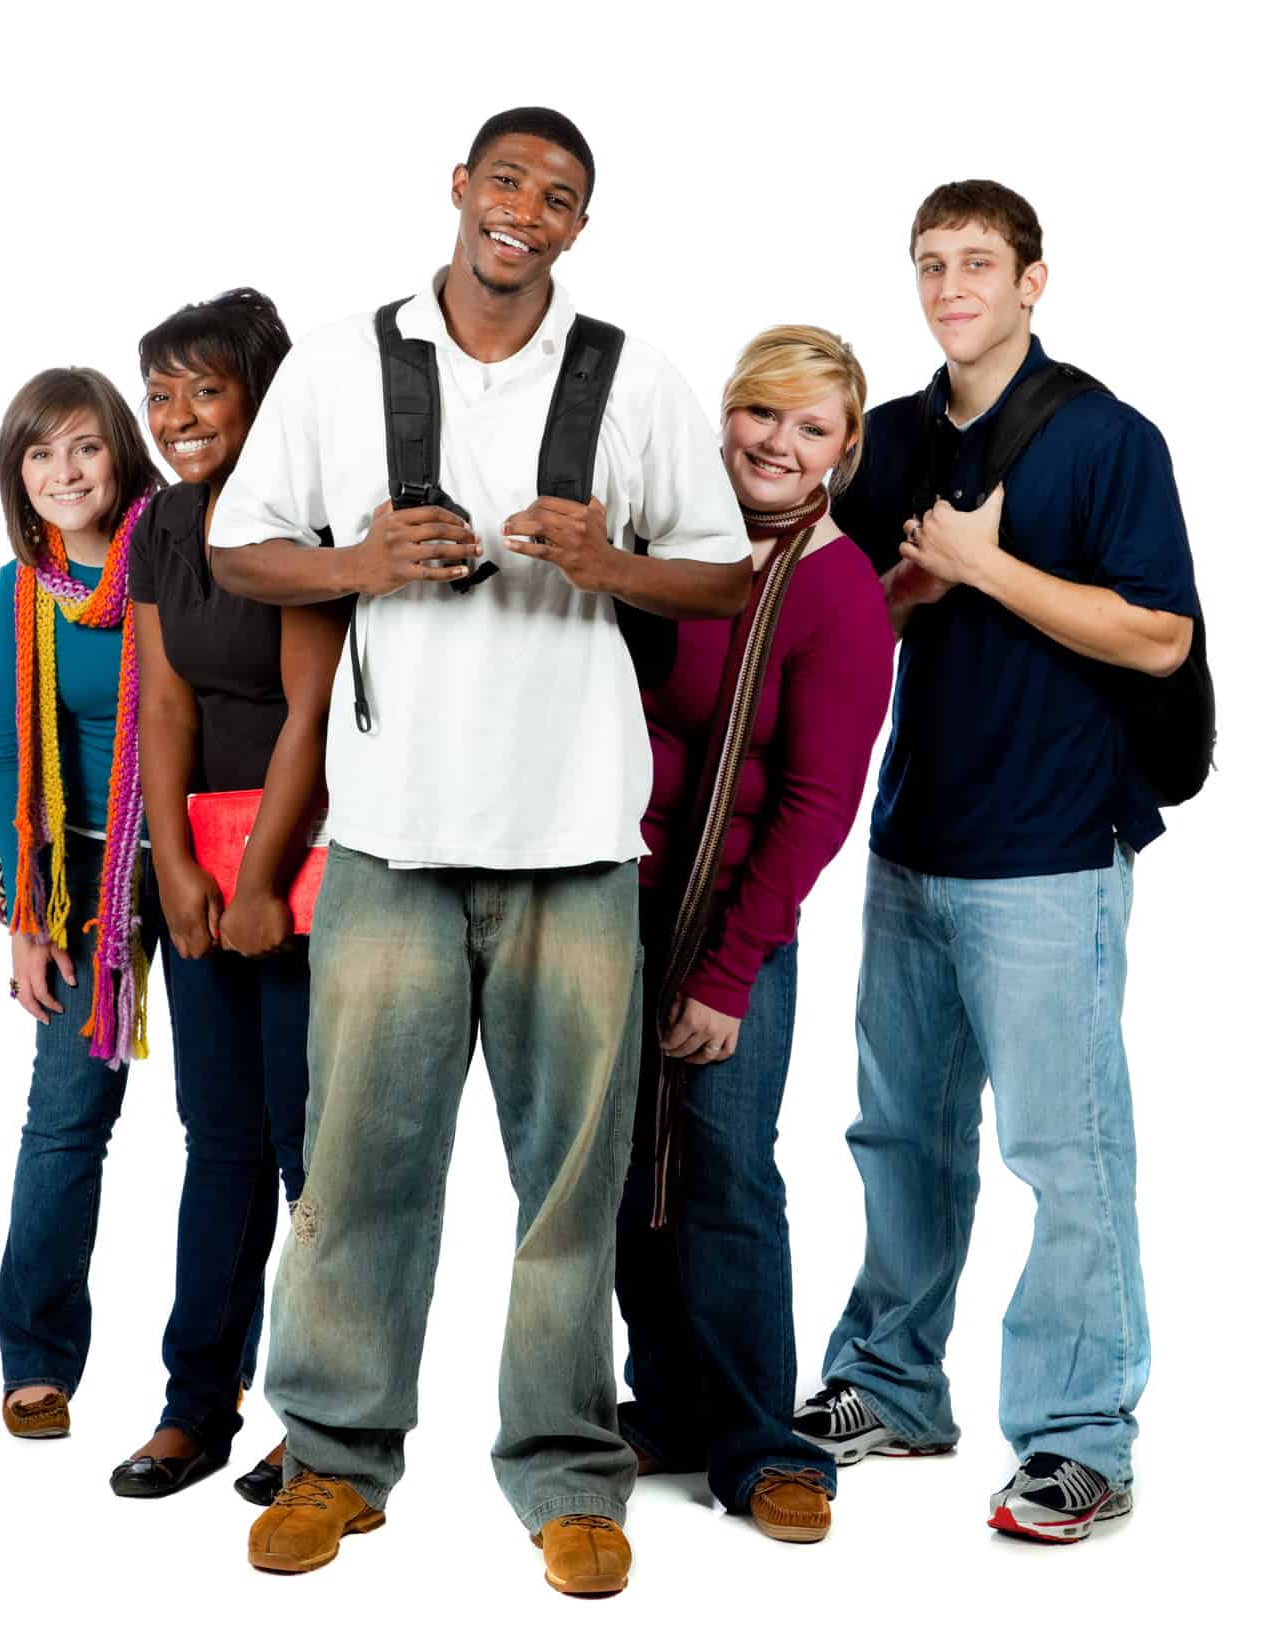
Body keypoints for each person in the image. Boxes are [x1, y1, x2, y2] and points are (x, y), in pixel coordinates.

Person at [207, 107, 751, 1594]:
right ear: (459, 190)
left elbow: (720, 576)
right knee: (362, 1161)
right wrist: (360, 562)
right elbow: (237, 548)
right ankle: (329, 1457)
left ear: (580, 226)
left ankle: (570, 1474)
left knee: (569, 1179)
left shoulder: (631, 372)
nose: (526, 209)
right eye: (507, 180)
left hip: (577, 837)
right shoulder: (339, 359)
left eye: (558, 196)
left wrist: (607, 561)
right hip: (390, 830)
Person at [792, 180, 1198, 1542]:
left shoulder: (1105, 439)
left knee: (1063, 1150)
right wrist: (910, 587)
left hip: (1051, 855)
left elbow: (1159, 636)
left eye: (978, 261)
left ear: (1034, 280)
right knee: (900, 1133)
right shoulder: (891, 440)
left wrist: (984, 560)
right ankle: (893, 1379)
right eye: (929, 263)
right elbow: (837, 625)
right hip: (913, 841)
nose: (951, 283)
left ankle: (1082, 1434)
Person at [614, 327, 894, 1545]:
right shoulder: (673, 546)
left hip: (733, 919)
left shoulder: (834, 590)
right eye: (760, 416)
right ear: (724, 417)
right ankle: (667, 1403)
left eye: (810, 427)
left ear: (842, 448)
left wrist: (727, 971)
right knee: (626, 1165)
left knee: (725, 1170)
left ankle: (759, 1443)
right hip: (606, 900)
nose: (776, 445)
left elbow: (813, 806)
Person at [110, 289, 345, 1498]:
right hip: (199, 866)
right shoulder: (157, 528)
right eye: (160, 392)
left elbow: (310, 708)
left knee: (315, 1151)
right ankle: (195, 1404)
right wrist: (177, 868)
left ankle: (315, 1420)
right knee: (218, 1142)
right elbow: (164, 702)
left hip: (308, 865)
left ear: (260, 393)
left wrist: (257, 880)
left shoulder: (297, 519)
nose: (177, 414)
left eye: (204, 388)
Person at [0, 367, 162, 1437]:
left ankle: (223, 1374)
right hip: (84, 880)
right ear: (18, 474)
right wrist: (26, 921)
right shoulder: (23, 588)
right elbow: (13, 752)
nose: (65, 471)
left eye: (85, 446)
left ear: (119, 453)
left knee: (240, 1125)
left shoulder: (175, 556)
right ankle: (37, 1357)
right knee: (65, 1121)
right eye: (41, 453)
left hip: (194, 859)